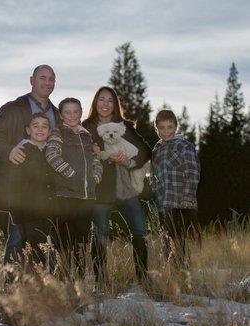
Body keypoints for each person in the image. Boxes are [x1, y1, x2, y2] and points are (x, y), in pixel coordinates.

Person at [0, 65, 61, 265]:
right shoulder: (13, 108)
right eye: (42, 78)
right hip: (20, 189)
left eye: (51, 79)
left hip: (47, 191)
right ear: (32, 81)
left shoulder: (57, 114)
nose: (47, 82)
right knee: (18, 237)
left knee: (47, 241)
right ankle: (10, 289)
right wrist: (9, 151)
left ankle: (41, 288)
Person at [82, 87, 151, 284]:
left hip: (125, 188)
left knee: (139, 230)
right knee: (100, 235)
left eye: (110, 100)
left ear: (115, 104)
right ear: (95, 102)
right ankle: (101, 282)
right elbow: (80, 155)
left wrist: (128, 162)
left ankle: (143, 280)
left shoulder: (125, 127)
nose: (105, 104)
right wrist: (99, 154)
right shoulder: (86, 127)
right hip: (100, 190)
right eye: (101, 99)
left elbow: (145, 151)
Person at [46, 98, 102, 279]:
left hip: (86, 198)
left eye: (75, 112)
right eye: (67, 112)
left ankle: (78, 281)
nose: (72, 115)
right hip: (66, 196)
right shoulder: (58, 133)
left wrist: (95, 177)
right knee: (63, 241)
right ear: (61, 115)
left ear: (81, 113)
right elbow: (51, 154)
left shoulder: (86, 136)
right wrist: (68, 173)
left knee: (81, 242)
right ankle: (60, 279)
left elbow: (95, 160)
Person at [151, 109, 201, 267]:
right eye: (162, 128)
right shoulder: (156, 149)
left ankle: (183, 274)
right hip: (162, 204)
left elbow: (193, 173)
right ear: (156, 128)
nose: (166, 132)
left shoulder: (184, 146)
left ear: (176, 127)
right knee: (166, 240)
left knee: (179, 240)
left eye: (170, 127)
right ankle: (171, 277)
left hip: (181, 203)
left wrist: (186, 198)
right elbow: (153, 176)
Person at [10, 113, 54, 266]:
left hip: (49, 211)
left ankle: (44, 283)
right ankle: (17, 285)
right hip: (29, 211)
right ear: (28, 130)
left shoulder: (51, 152)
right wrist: (16, 211)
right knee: (29, 249)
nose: (40, 129)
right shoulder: (22, 151)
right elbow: (14, 184)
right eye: (36, 126)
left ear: (49, 131)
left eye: (44, 126)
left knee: (46, 249)